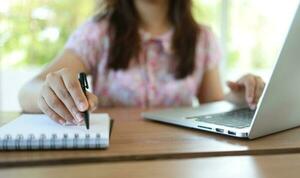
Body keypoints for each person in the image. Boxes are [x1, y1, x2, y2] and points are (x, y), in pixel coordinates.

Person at [19, 0, 265, 125]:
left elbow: (213, 104)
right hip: (115, 156)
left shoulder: (203, 39)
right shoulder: (98, 33)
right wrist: (48, 92)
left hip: (183, 159)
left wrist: (243, 97)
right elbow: (27, 91)